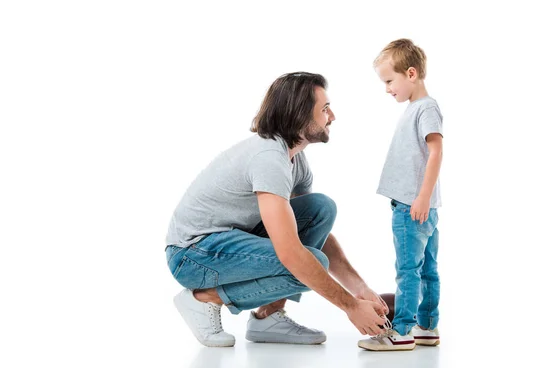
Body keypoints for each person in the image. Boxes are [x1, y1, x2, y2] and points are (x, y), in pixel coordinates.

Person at [166, 72, 388, 347]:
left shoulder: (294, 158)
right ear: (299, 115)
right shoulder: (269, 158)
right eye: (325, 109)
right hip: (193, 255)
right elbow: (292, 252)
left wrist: (360, 288)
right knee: (311, 263)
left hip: (227, 241)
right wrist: (351, 307)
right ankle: (203, 299)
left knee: (321, 209)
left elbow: (307, 233)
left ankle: (267, 315)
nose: (333, 116)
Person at [358, 39, 444, 351]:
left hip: (413, 206)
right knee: (426, 268)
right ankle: (427, 326)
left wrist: (422, 197)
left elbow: (436, 152)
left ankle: (403, 330)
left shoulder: (426, 108)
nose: (387, 89)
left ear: (411, 74)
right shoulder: (417, 108)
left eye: (389, 81)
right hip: (421, 206)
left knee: (408, 270)